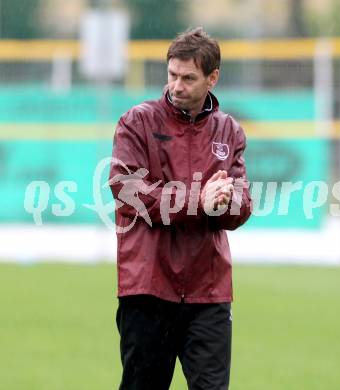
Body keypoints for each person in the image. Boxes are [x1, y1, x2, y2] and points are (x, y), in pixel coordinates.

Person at [109, 27, 252, 390]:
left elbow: (241, 204)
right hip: (148, 287)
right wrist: (197, 201)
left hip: (209, 290)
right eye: (172, 75)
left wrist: (224, 202)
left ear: (212, 78)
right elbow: (126, 190)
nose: (177, 85)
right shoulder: (136, 122)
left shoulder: (229, 131)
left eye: (188, 78)